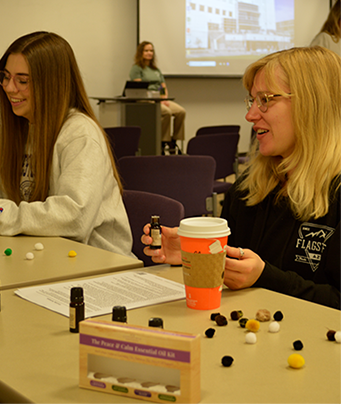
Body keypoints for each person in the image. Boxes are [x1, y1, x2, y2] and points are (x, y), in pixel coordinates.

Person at [142, 46, 341, 310]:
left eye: (265, 100)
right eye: (252, 101)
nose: (250, 116)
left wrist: (266, 277)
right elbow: (232, 264)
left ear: (311, 105)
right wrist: (198, 251)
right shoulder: (250, 187)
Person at [0, 31, 134, 256]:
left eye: (22, 81)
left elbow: (74, 218)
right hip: (46, 255)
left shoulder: (80, 133)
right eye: (5, 76)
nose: (10, 88)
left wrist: (5, 215)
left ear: (51, 85)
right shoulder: (18, 129)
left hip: (99, 266)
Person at [130, 41, 185, 154]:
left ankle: (174, 140)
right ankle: (163, 141)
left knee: (181, 111)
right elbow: (139, 88)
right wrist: (153, 99)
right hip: (146, 99)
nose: (149, 53)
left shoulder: (156, 70)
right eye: (146, 51)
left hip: (159, 99)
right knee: (166, 113)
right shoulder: (137, 68)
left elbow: (162, 86)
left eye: (151, 51)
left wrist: (164, 98)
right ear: (141, 52)